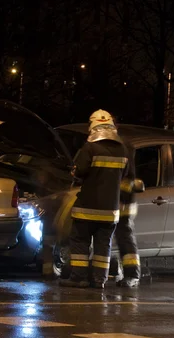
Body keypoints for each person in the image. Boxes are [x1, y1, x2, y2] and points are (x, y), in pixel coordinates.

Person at [60, 109, 129, 289]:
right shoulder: (122, 149)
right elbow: (124, 174)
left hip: (87, 208)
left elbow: (80, 172)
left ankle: (78, 278)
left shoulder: (90, 147)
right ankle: (100, 280)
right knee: (103, 246)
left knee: (80, 241)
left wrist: (74, 171)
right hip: (110, 210)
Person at [116, 142, 144, 288]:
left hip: (124, 206)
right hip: (111, 204)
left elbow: (128, 181)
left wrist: (121, 198)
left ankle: (132, 274)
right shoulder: (118, 148)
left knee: (125, 239)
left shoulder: (123, 149)